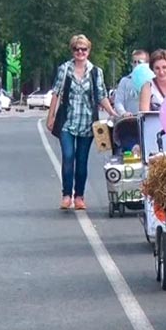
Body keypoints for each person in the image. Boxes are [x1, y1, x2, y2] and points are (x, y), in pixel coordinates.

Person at [45, 35, 119, 210]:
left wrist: (113, 113)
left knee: (82, 159)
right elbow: (56, 93)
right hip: (67, 122)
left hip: (87, 123)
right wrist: (51, 117)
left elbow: (101, 96)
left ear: (88, 51)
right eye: (76, 49)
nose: (80, 52)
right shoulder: (65, 69)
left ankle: (79, 196)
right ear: (72, 50)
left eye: (83, 49)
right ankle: (66, 195)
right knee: (68, 156)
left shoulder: (96, 72)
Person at [114, 49, 150, 115]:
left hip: (148, 121)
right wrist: (123, 113)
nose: (136, 64)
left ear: (147, 64)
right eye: (134, 62)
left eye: (139, 62)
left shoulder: (152, 81)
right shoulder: (125, 81)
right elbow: (118, 102)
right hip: (129, 120)